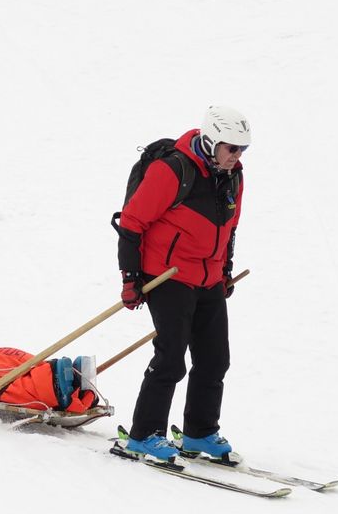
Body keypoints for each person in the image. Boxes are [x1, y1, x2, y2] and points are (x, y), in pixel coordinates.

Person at [114, 105, 250, 462]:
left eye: (243, 149)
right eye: (231, 147)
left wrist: (225, 270)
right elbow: (131, 222)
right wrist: (130, 278)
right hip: (167, 275)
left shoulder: (234, 177)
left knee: (215, 360)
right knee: (171, 358)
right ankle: (144, 434)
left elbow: (230, 228)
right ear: (212, 140)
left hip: (208, 278)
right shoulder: (173, 170)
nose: (237, 155)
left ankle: (199, 433)